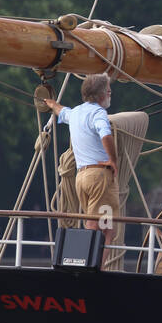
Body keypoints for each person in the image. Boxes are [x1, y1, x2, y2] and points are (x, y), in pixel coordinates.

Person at [44, 74, 117, 250]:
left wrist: (51, 104)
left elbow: (62, 111)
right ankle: (93, 264)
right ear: (101, 95)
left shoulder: (76, 112)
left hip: (82, 177)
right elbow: (106, 134)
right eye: (108, 91)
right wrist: (113, 160)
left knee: (100, 225)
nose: (110, 93)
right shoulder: (99, 113)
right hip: (99, 177)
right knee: (102, 228)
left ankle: (90, 261)